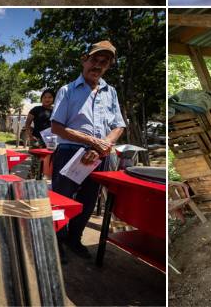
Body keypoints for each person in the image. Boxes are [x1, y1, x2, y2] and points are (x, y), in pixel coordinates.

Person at [50, 40, 125, 259]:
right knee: (61, 199)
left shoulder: (110, 92)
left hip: (99, 155)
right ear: (84, 60)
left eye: (104, 62)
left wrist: (102, 147)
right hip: (69, 152)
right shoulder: (67, 90)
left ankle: (75, 238)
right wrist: (92, 141)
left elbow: (119, 125)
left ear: (108, 66)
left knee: (88, 200)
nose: (98, 65)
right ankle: (57, 242)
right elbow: (56, 127)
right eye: (94, 60)